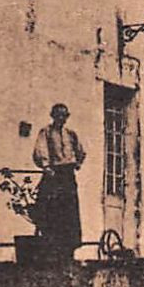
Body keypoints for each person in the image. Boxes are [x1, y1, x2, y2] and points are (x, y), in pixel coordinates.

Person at [31, 102, 86, 260]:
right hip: (54, 176)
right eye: (58, 115)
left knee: (69, 213)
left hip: (68, 176)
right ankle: (52, 249)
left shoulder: (71, 134)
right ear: (53, 116)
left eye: (64, 116)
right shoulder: (46, 132)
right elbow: (40, 150)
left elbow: (81, 151)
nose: (61, 119)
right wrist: (46, 166)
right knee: (52, 211)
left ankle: (69, 249)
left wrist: (77, 163)